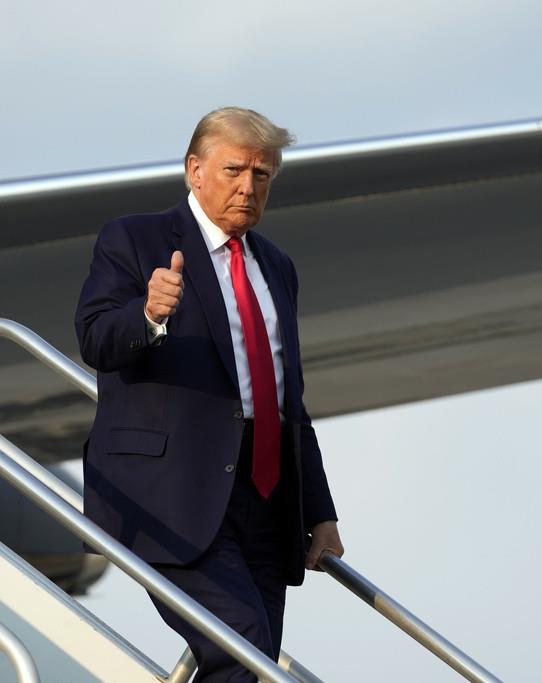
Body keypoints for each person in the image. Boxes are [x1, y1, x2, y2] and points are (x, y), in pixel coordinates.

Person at [74, 106, 343, 682]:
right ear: (194, 170)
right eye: (234, 170)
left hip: (268, 495)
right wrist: (146, 314)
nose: (248, 187)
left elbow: (289, 400)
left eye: (263, 175)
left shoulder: (277, 266)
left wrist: (319, 511)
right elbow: (94, 339)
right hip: (172, 492)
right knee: (241, 648)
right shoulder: (135, 237)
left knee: (255, 659)